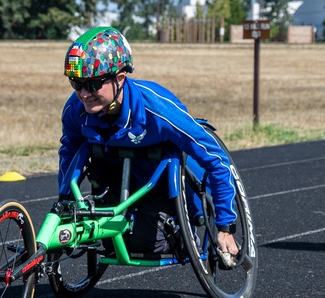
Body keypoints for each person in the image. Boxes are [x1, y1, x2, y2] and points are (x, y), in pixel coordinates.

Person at [58, 26, 240, 265]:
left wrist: (225, 225)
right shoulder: (75, 110)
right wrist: (67, 203)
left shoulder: (158, 110)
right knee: (111, 238)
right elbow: (69, 153)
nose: (82, 94)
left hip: (160, 177)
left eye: (92, 85)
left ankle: (183, 233)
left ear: (120, 79)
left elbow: (215, 158)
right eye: (76, 84)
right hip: (113, 174)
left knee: (145, 242)